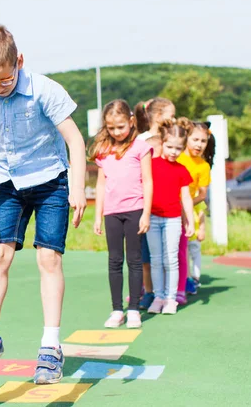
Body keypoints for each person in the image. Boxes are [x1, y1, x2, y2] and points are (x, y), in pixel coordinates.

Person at [0, 25, 87, 385]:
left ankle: (50, 346)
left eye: (5, 80)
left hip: (51, 181)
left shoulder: (44, 90)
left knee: (48, 258)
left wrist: (78, 188)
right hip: (10, 183)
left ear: (19, 61)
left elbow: (75, 142)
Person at [90, 100, 152, 329]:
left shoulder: (141, 147)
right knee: (114, 261)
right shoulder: (104, 151)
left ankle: (134, 308)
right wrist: (98, 215)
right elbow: (100, 184)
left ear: (131, 122)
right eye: (111, 128)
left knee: (135, 260)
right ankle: (117, 309)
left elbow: (148, 181)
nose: (116, 132)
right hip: (112, 213)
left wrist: (146, 212)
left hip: (135, 210)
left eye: (121, 127)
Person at [146, 119, 194, 315]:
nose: (174, 151)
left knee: (171, 259)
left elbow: (187, 197)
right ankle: (158, 297)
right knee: (156, 259)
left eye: (178, 148)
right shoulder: (151, 164)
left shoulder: (182, 170)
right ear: (162, 143)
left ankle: (171, 298)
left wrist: (189, 221)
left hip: (173, 220)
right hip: (153, 219)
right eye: (170, 147)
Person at [133, 98, 176, 310]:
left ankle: (169, 292)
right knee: (146, 256)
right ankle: (148, 291)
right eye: (171, 114)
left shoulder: (170, 139)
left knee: (168, 254)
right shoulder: (141, 140)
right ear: (158, 116)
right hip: (145, 206)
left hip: (167, 207)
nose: (174, 119)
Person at [177, 120, 215, 296]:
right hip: (165, 209)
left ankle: (185, 281)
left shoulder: (203, 166)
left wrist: (185, 205)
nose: (199, 144)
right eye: (195, 139)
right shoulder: (176, 156)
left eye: (203, 141)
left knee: (185, 248)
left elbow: (202, 195)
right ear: (186, 138)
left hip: (186, 211)